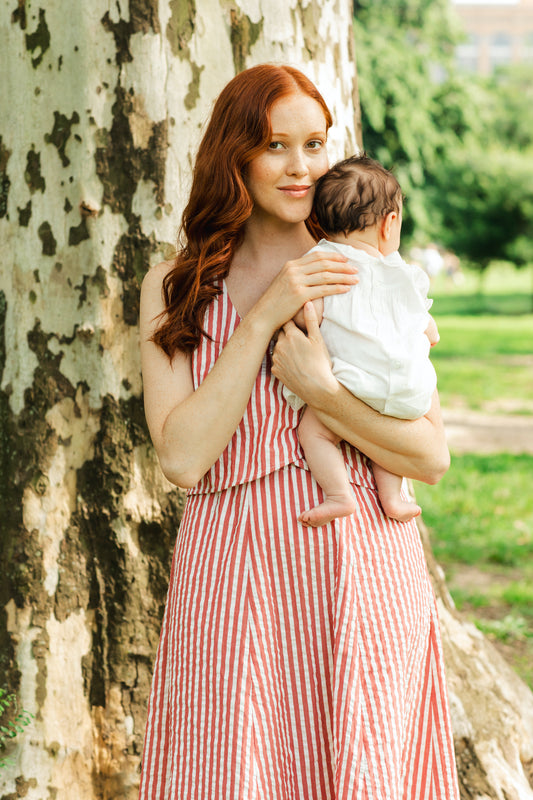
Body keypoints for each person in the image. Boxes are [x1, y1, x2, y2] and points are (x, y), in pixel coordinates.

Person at [138, 64, 460, 800]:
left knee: (362, 767)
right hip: (232, 566)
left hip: (362, 559)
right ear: (235, 157)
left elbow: (429, 455)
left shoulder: (370, 272)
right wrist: (262, 316)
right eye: (275, 146)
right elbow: (182, 458)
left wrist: (322, 393)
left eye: (314, 143)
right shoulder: (175, 286)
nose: (300, 167)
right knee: (230, 766)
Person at [282, 154, 440, 527]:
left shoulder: (324, 261)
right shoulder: (405, 274)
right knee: (384, 443)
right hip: (409, 391)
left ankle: (339, 495)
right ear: (390, 224)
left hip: (353, 382)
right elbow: (429, 331)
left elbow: (310, 313)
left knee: (314, 431)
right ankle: (392, 497)